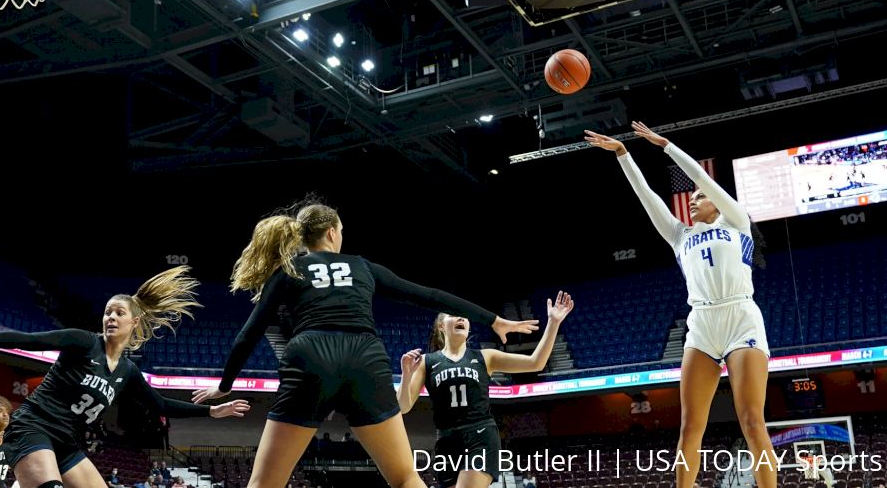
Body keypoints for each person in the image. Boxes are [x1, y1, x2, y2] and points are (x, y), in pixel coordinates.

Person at [192, 201, 536, 488]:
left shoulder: (288, 270)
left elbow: (247, 334)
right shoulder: (363, 266)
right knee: (404, 478)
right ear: (331, 232)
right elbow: (429, 296)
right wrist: (494, 319)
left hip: (311, 356)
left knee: (264, 484)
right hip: (365, 358)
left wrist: (224, 386)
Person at [0, 266, 251, 488]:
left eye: (118, 313)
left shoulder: (128, 371)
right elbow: (35, 340)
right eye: (107, 312)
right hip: (33, 429)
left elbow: (160, 405)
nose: (110, 317)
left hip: (68, 443)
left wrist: (211, 411)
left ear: (135, 321)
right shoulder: (84, 341)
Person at [585, 123, 774, 488]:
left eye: (700, 197)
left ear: (717, 202)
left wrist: (666, 146)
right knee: (690, 427)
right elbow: (646, 196)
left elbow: (701, 174)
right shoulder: (679, 236)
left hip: (741, 318)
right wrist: (623, 155)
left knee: (752, 420)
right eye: (691, 197)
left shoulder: (736, 223)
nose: (692, 198)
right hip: (701, 322)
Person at [397, 292, 575, 488]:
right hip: (446, 442)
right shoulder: (426, 362)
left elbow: (536, 362)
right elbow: (403, 407)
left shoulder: (485, 357)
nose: (461, 318)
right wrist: (406, 376)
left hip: (480, 435)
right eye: (453, 314)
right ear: (441, 325)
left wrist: (554, 323)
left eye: (464, 315)